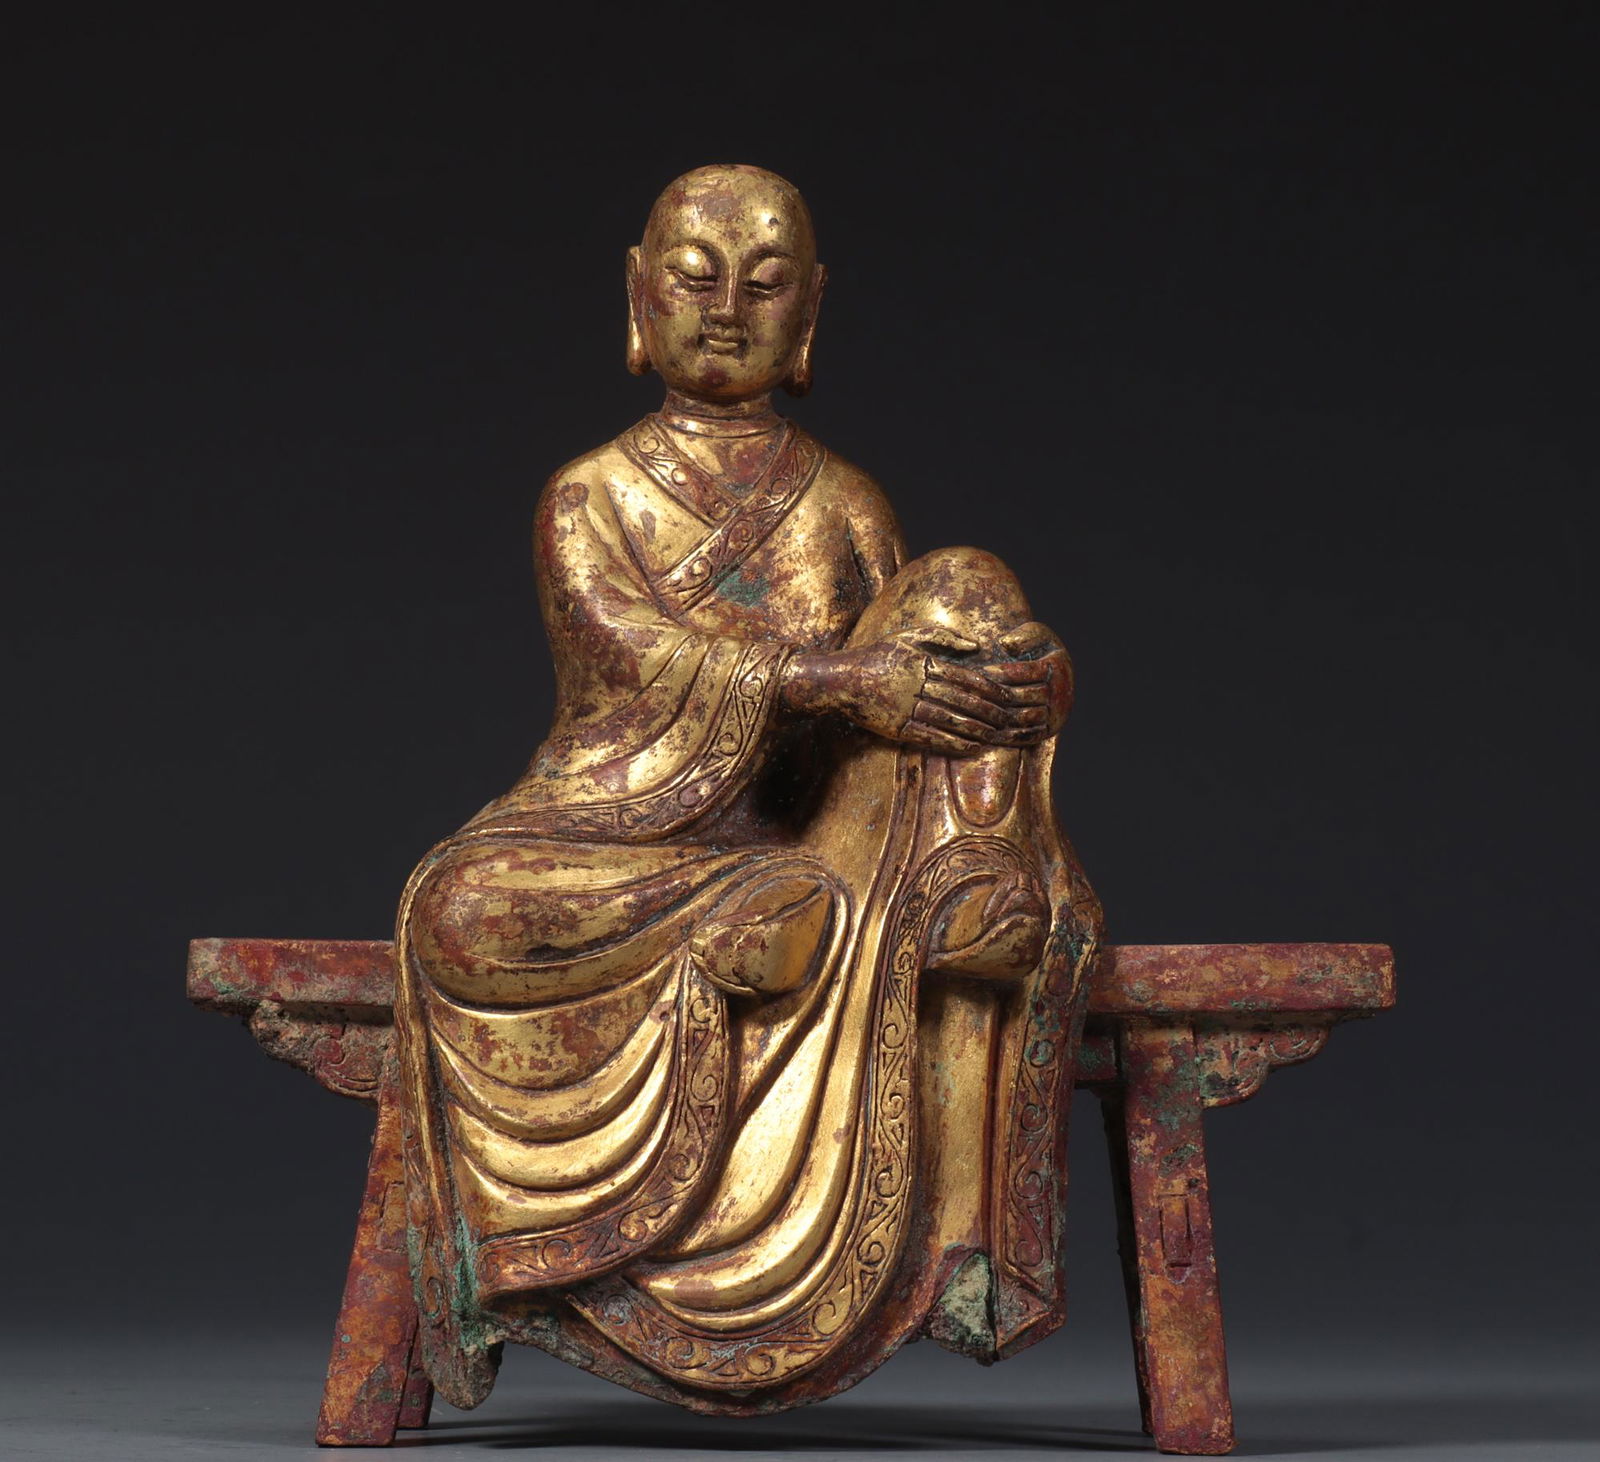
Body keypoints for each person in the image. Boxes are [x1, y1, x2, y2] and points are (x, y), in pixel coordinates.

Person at [394, 164, 1101, 1413]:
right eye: (693, 277)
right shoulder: (588, 495)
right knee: (456, 909)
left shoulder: (845, 503)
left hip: (804, 839)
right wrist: (839, 681)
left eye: (764, 284)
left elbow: (910, 689)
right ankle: (791, 923)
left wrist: (1007, 681)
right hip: (614, 839)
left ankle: (941, 883)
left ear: (811, 309)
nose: (726, 309)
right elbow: (631, 660)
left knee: (964, 584)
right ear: (636, 295)